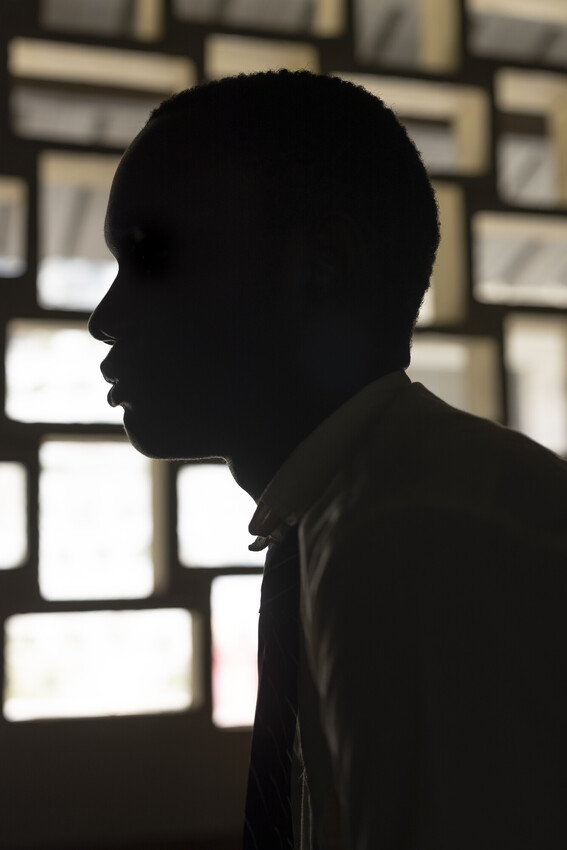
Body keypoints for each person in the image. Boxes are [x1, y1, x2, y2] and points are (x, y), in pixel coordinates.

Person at [88, 70, 567, 850]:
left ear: (323, 265)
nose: (104, 318)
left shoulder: (420, 535)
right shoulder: (353, 514)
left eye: (151, 258)